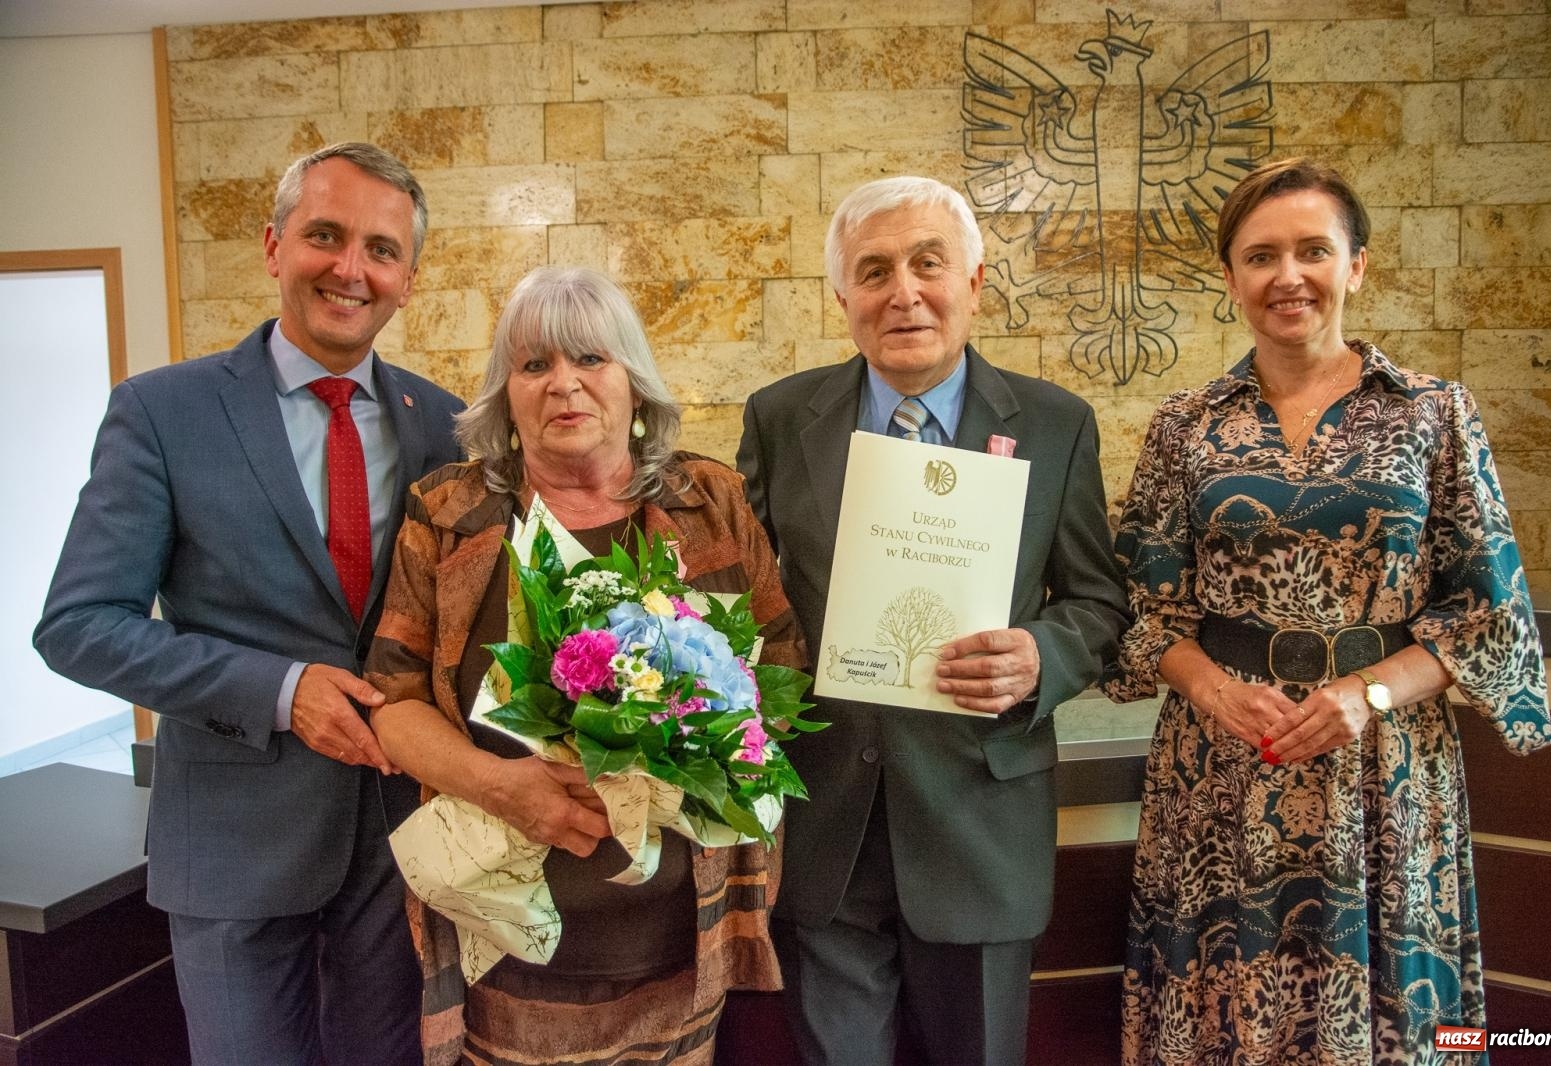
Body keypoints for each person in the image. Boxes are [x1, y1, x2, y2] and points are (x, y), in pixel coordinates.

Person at [1106, 157, 1551, 1064]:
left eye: (1314, 250)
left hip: (1383, 765)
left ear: (1356, 265)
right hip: (1223, 761)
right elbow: (1140, 607)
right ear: (1231, 277)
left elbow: (1484, 612)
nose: (1288, 276)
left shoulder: (1434, 413)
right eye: (1261, 256)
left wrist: (1367, 696)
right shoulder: (1184, 425)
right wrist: (1214, 693)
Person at [33, 142, 465, 1064]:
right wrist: (280, 689)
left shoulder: (448, 425)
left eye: (381, 251)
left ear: (409, 281)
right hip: (231, 847)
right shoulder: (163, 411)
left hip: (403, 844)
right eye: (325, 235)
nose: (351, 268)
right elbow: (76, 625)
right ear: (273, 247)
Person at [363, 265, 805, 1066]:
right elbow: (392, 704)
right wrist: (500, 784)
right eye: (535, 366)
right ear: (506, 395)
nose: (564, 385)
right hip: (508, 948)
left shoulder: (711, 500)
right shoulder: (450, 515)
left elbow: (779, 666)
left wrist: (688, 760)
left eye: (591, 360)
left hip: (683, 943)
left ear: (633, 384)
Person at [737, 175, 1129, 1065]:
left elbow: (1099, 602)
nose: (903, 291)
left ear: (976, 282)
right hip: (824, 813)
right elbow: (748, 600)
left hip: (978, 819)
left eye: (927, 263)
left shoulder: (1057, 425)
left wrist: (1038, 655)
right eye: (874, 271)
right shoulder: (779, 418)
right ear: (843, 299)